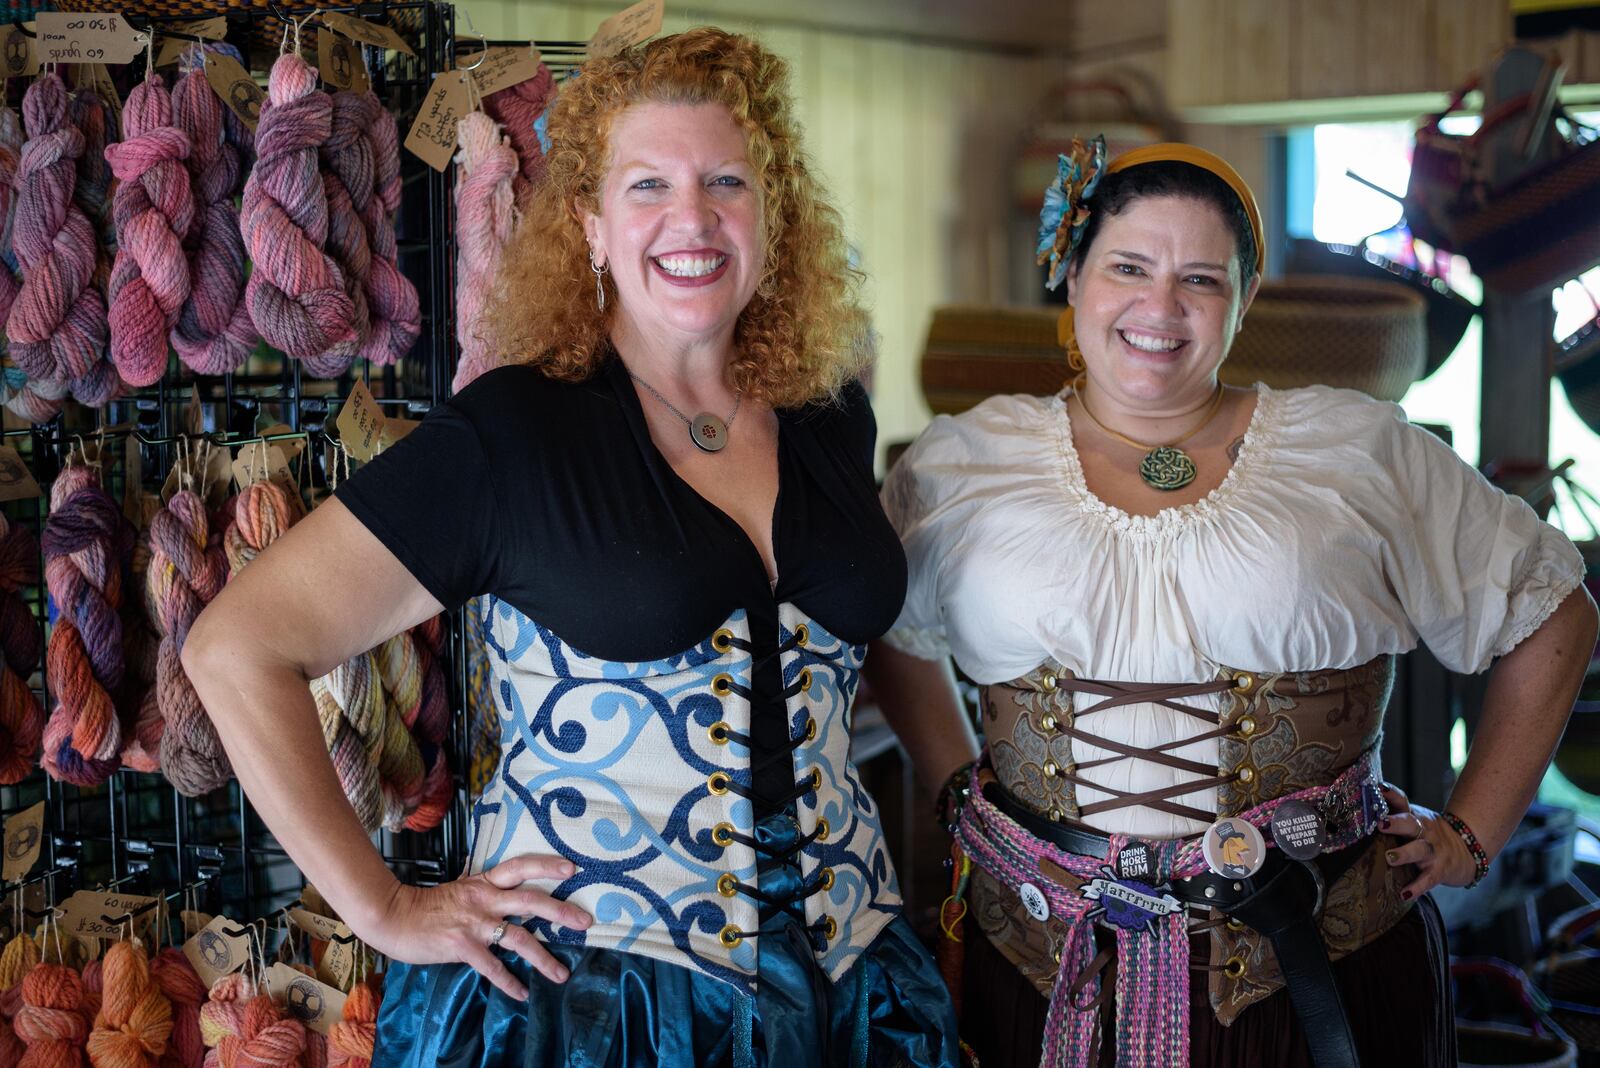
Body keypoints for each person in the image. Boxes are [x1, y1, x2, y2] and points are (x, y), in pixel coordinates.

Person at [183, 28, 959, 1068]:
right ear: (592, 226)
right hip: (597, 1011)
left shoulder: (828, 419)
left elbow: (870, 629)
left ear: (773, 219)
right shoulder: (512, 436)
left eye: (726, 181)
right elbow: (237, 648)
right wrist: (381, 907)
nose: (691, 218)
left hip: (858, 997)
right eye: (648, 186)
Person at [871, 137, 1598, 1067]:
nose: (1159, 307)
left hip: (1314, 971)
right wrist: (949, 779)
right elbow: (882, 617)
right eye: (1128, 266)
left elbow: (1553, 610)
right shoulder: (965, 461)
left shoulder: (1355, 451)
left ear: (1244, 301)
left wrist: (1471, 830)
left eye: (1201, 280)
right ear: (1074, 277)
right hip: (1039, 971)